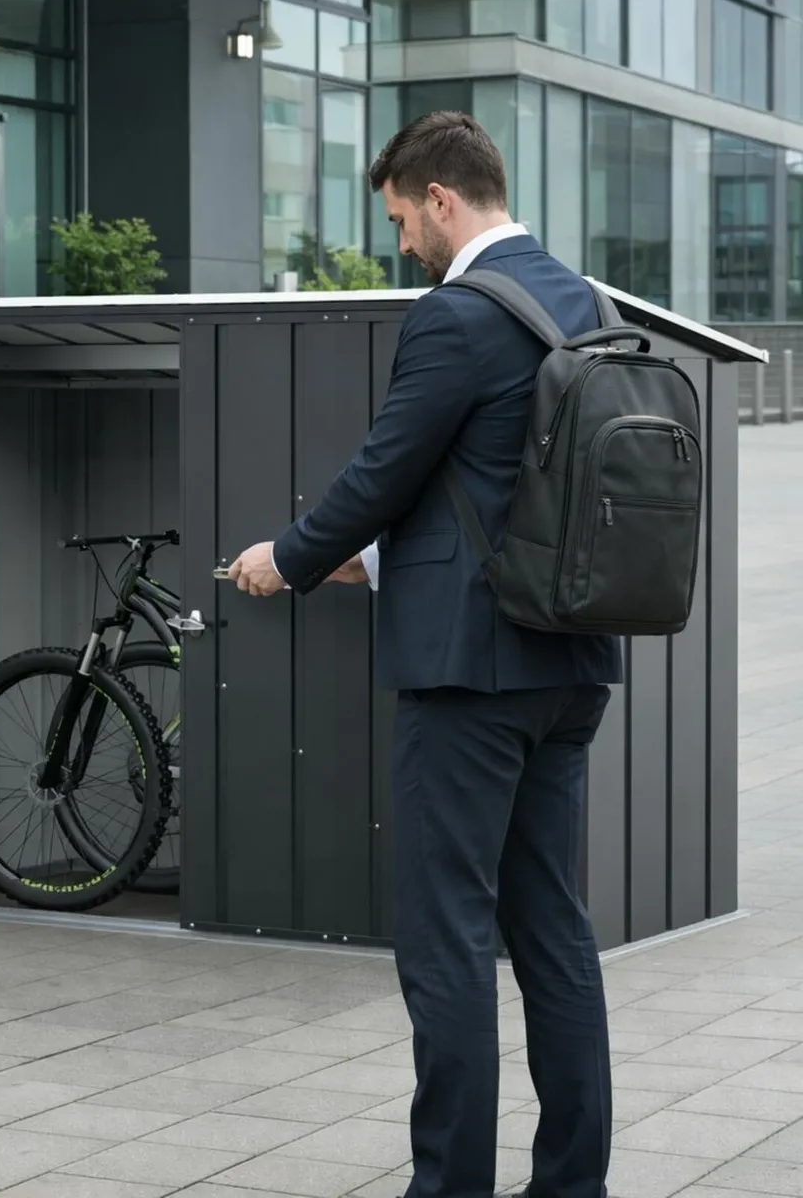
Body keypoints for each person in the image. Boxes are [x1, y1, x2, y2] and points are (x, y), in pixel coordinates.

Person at [227, 111, 621, 1198]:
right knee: (553, 933)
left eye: (403, 218)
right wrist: (391, 568)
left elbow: (383, 471)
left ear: (442, 200)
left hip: (468, 680)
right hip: (571, 664)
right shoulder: (587, 301)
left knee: (445, 940)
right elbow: (515, 486)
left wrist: (291, 557)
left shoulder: (458, 315)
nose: (404, 242)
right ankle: (571, 1184)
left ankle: (449, 1189)